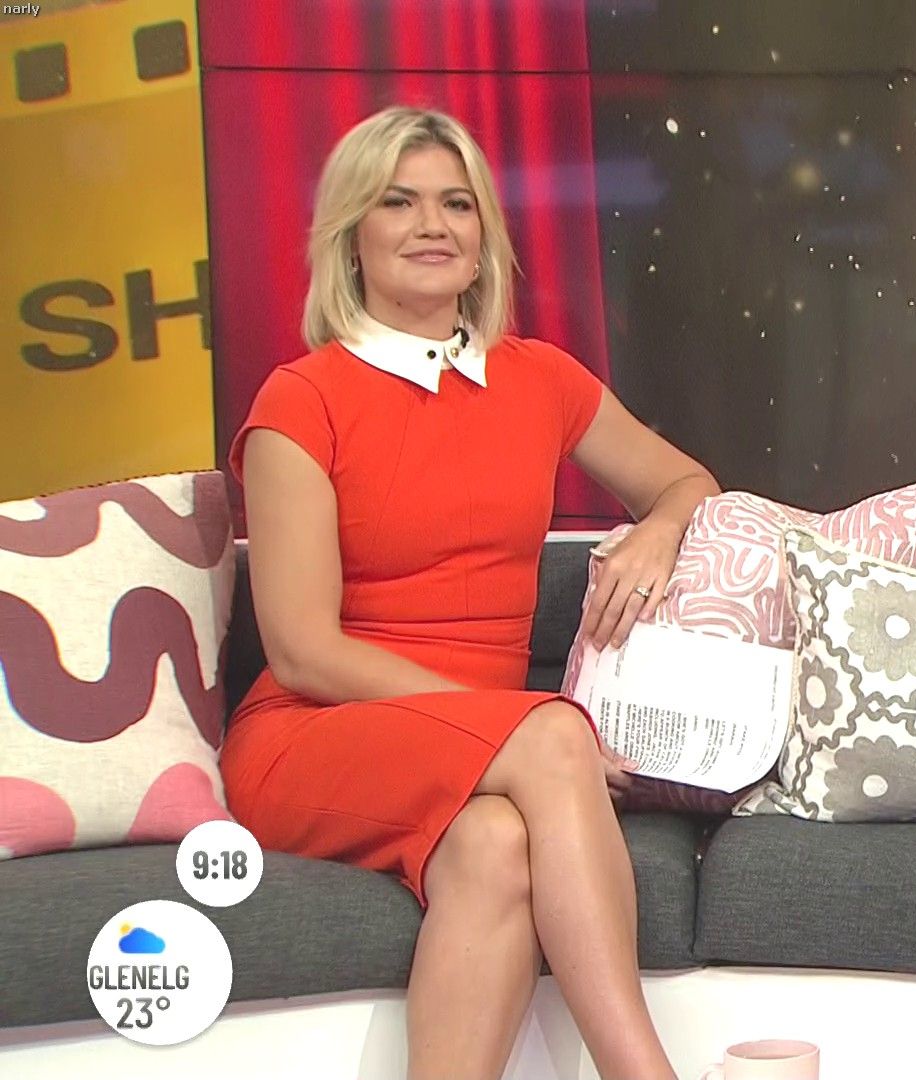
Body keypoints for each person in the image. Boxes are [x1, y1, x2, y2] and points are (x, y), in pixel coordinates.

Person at [221, 105, 718, 1080]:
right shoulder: (303, 399)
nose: (431, 225)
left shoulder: (540, 380)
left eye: (456, 204)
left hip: (483, 758)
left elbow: (686, 481)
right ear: (351, 235)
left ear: (485, 234)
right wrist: (509, 729)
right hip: (316, 733)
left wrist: (659, 530)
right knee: (553, 735)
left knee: (494, 846)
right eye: (397, 202)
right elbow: (303, 651)